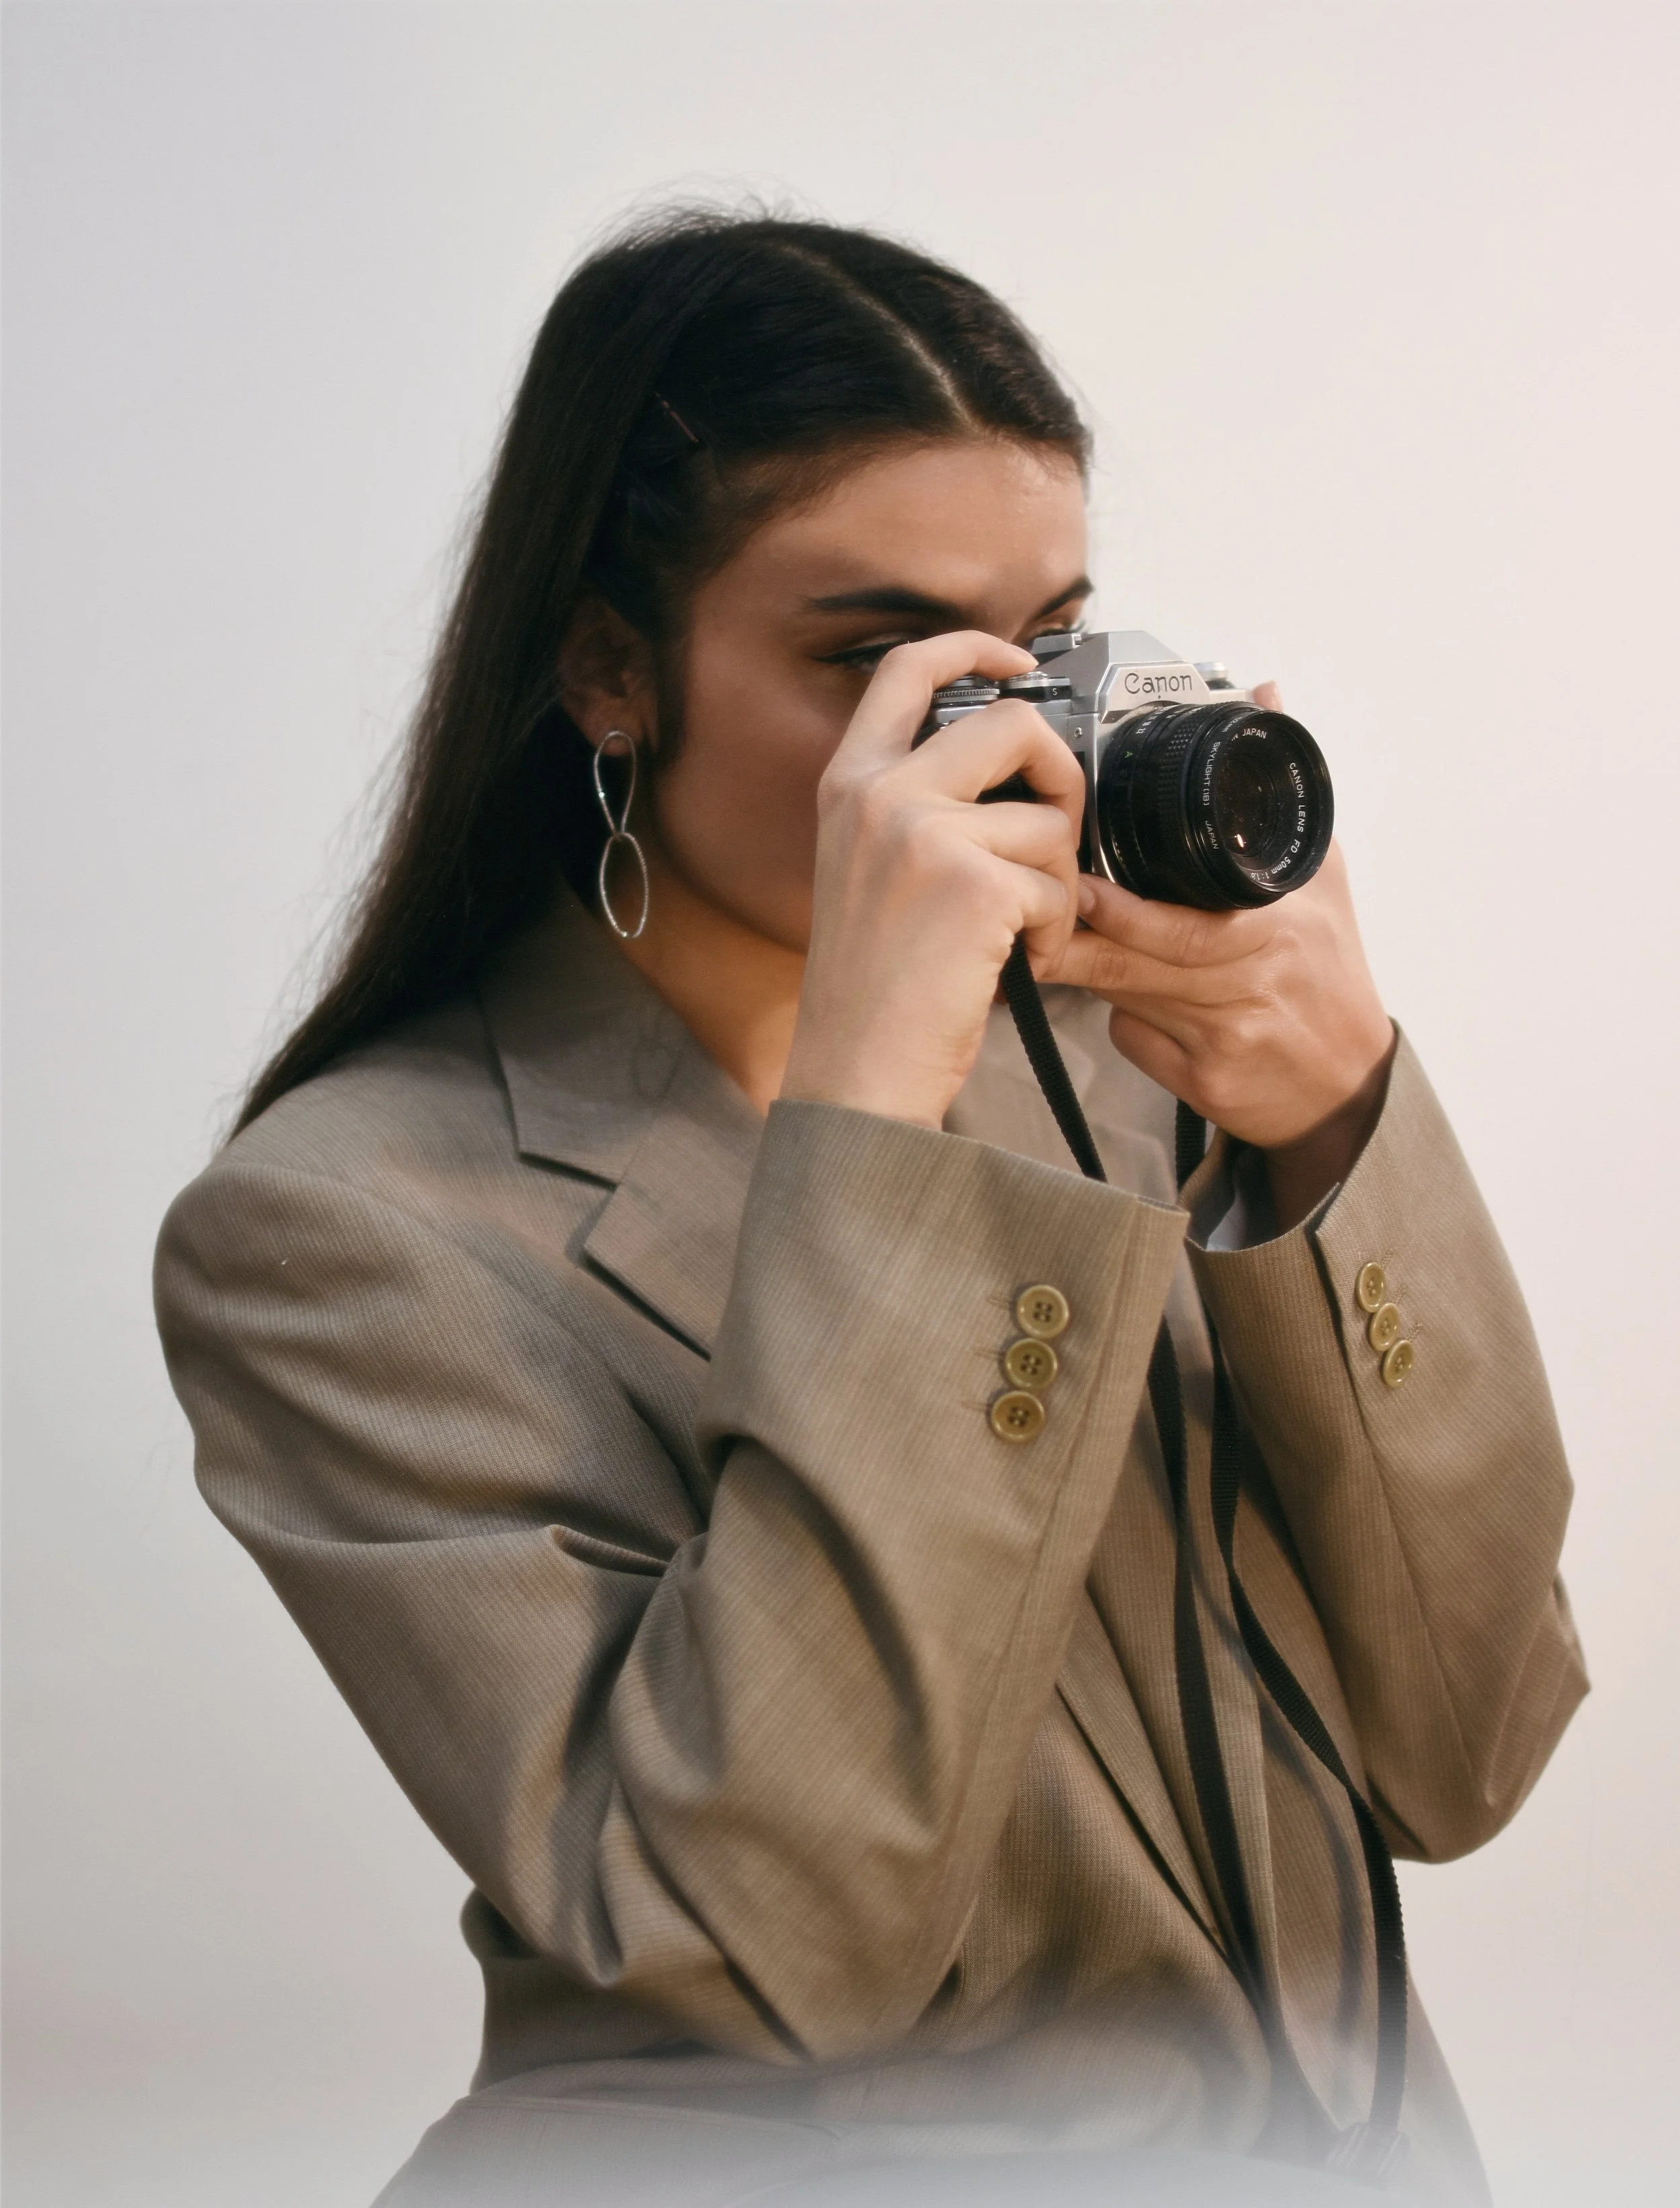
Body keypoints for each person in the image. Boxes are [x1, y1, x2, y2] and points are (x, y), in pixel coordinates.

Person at [154, 211, 1585, 2208]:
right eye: (875, 658)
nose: (991, 739)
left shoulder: (1112, 1071)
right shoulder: (344, 1229)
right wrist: (872, 1133)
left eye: (1037, 650)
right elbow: (766, 1933)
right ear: (605, 669)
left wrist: (1339, 1134)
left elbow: (1470, 1744)